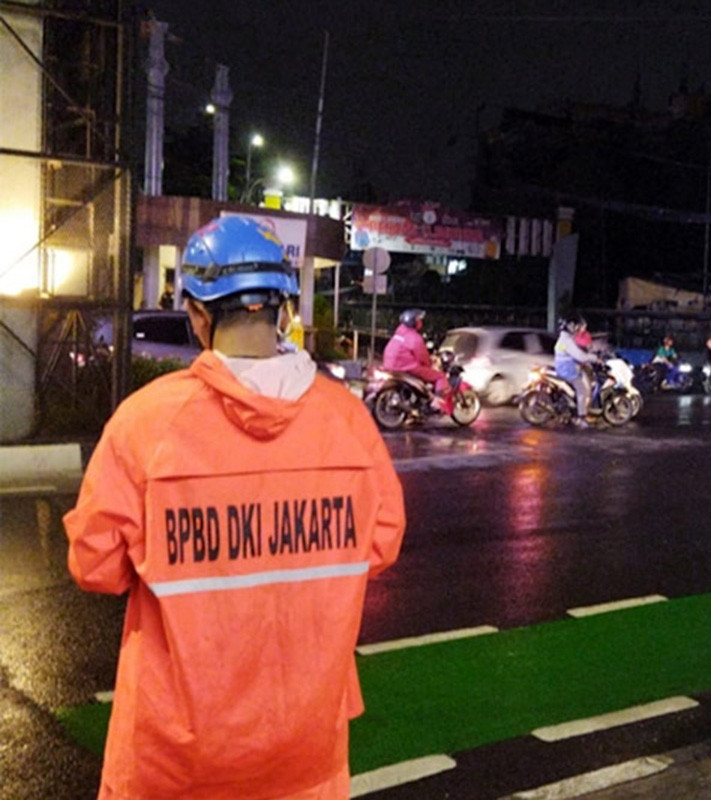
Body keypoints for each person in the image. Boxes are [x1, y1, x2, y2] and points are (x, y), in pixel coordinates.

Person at [63, 215, 406, 800]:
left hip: (173, 761)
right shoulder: (348, 422)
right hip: (306, 752)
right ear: (283, 309)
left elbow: (94, 566)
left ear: (198, 314)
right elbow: (380, 544)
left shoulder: (147, 423)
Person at [382, 308, 452, 414]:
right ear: (413, 322)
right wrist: (430, 365)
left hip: (389, 365)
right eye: (418, 319)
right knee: (440, 376)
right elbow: (422, 357)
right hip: (406, 367)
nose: (420, 322)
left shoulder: (398, 334)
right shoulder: (414, 337)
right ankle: (436, 403)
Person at [555, 312, 595, 428]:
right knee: (582, 390)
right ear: (570, 325)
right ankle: (581, 418)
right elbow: (580, 356)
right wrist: (593, 358)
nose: (577, 328)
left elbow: (579, 352)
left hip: (567, 367)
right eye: (576, 325)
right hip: (568, 370)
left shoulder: (566, 338)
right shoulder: (566, 340)